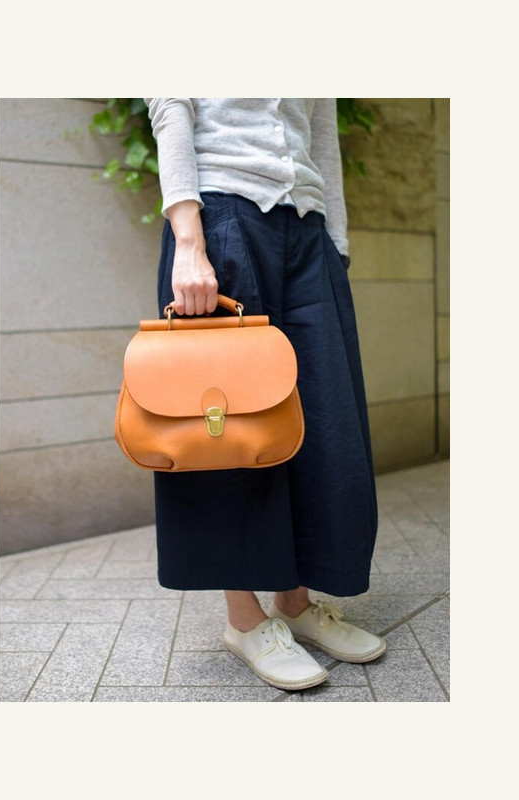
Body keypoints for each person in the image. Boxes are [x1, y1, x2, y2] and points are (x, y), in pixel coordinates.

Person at [144, 98, 385, 691]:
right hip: (221, 218)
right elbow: (171, 105)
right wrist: (189, 240)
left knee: (320, 421)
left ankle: (294, 605)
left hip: (307, 231)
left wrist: (336, 246)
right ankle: (244, 620)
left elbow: (321, 137)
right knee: (228, 431)